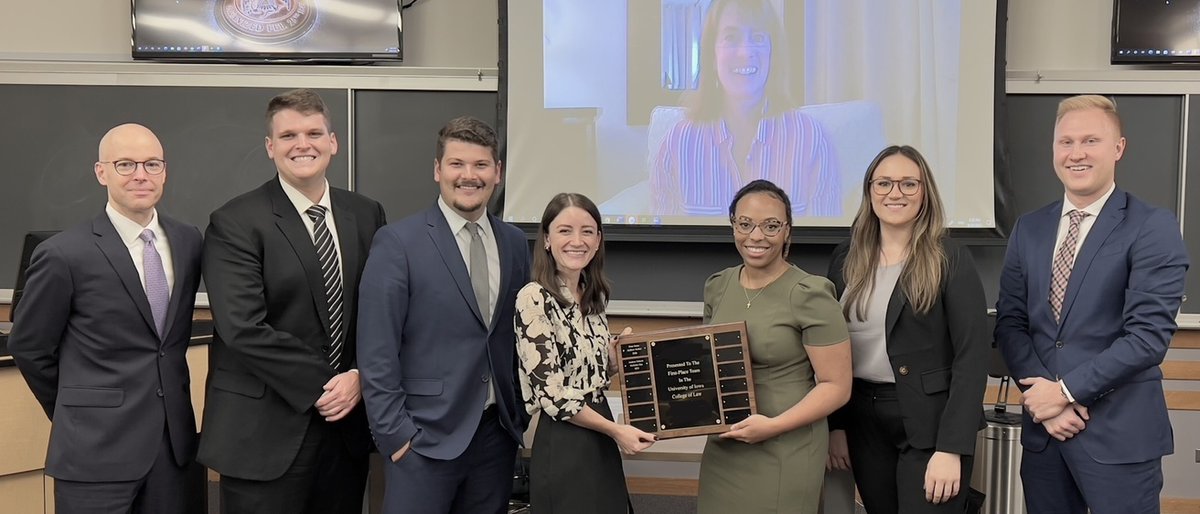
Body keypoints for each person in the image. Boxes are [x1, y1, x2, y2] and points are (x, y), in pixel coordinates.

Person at [995, 94, 1188, 513]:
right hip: (1045, 438)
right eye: (1065, 142)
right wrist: (1045, 405)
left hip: (1118, 438)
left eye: (1090, 141)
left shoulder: (1152, 226)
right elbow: (1010, 323)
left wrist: (1064, 392)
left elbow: (1148, 338)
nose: (1076, 153)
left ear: (1118, 148)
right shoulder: (1029, 229)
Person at [197, 88, 387, 514]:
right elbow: (243, 327)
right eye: (288, 136)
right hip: (263, 435)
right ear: (270, 147)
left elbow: (379, 312)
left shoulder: (367, 213)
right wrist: (326, 384)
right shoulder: (235, 222)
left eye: (314, 132)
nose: (303, 144)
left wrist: (360, 374)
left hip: (346, 430)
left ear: (333, 143)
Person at [8, 123, 203, 513]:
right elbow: (29, 347)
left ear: (165, 171)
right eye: (126, 164)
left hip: (173, 451)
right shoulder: (64, 254)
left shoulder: (188, 240)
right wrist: (78, 406)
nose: (140, 175)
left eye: (151, 164)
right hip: (94, 451)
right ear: (102, 172)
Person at [357, 116, 532, 514]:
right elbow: (376, 348)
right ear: (438, 170)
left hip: (495, 437)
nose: (468, 176)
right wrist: (395, 436)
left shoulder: (514, 243)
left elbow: (516, 337)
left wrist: (515, 417)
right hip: (422, 441)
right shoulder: (398, 243)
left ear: (497, 173)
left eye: (480, 165)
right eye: (456, 164)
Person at [825, 145, 988, 513]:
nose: (895, 193)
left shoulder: (949, 257)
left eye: (908, 184)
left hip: (932, 426)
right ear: (869, 191)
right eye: (883, 183)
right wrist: (836, 427)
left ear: (924, 191)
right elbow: (831, 349)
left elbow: (972, 356)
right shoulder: (845, 257)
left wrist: (952, 448)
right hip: (863, 421)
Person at [697, 179, 852, 514]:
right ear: (733, 226)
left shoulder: (811, 293)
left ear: (787, 232)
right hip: (725, 447)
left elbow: (837, 387)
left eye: (771, 226)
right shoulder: (718, 286)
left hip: (787, 445)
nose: (756, 236)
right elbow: (707, 366)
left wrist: (772, 426)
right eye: (745, 224)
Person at [514, 193, 657, 513]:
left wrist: (617, 361)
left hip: (601, 437)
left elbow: (593, 376)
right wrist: (616, 430)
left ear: (598, 241)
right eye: (565, 230)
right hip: (565, 442)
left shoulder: (594, 298)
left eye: (587, 231)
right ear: (547, 239)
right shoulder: (533, 298)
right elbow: (552, 394)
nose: (577, 240)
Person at [651, 0, 839, 218]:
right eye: (731, 38)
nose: (745, 52)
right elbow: (668, 245)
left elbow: (820, 245)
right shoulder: (677, 143)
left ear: (772, 54)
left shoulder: (812, 139)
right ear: (711, 56)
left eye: (758, 38)